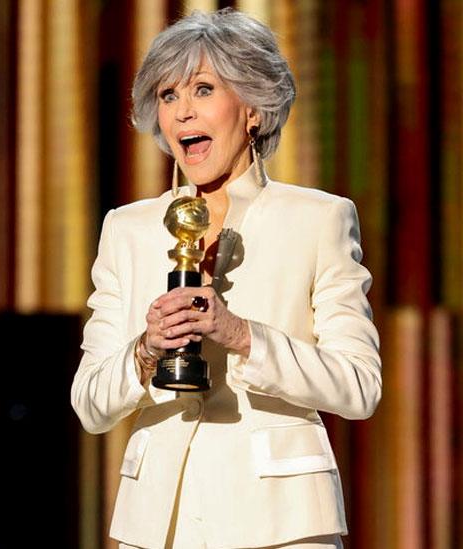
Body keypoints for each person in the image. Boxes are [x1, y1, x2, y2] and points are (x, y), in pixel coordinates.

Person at [71, 8, 381, 549]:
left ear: (255, 111)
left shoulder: (319, 218)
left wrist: (242, 335)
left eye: (203, 90)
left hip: (280, 524)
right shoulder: (126, 228)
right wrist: (145, 349)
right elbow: (90, 404)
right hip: (155, 526)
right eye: (168, 96)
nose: (182, 113)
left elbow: (359, 387)